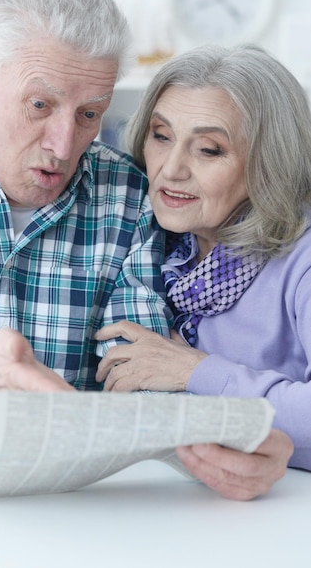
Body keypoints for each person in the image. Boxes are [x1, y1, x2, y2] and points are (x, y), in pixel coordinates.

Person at [0, 0, 293, 500]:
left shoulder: (128, 193)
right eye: (39, 105)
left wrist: (227, 445)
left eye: (91, 114)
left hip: (75, 504)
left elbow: (138, 374)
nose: (66, 146)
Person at [90, 43, 309, 474]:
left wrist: (196, 371)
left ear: (270, 162)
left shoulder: (301, 256)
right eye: (161, 135)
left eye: (208, 150)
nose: (171, 169)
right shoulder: (155, 233)